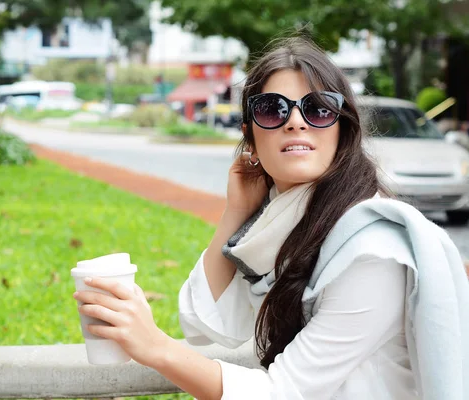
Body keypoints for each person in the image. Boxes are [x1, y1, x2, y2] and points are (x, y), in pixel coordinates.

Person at [73, 36, 469, 400]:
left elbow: (283, 393)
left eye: (317, 108)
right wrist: (236, 212)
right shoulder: (284, 227)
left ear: (342, 131)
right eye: (272, 109)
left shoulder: (372, 251)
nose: (295, 120)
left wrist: (156, 348)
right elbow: (202, 323)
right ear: (251, 137)